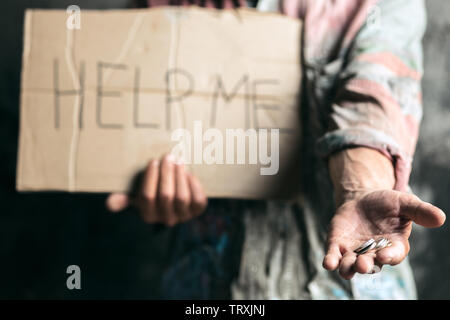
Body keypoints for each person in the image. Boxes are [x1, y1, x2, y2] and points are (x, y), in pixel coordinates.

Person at [106, 0, 446, 299]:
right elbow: (147, 126)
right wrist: (156, 191)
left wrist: (361, 187)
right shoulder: (162, 9)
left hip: (338, 285)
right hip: (205, 282)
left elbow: (371, 99)